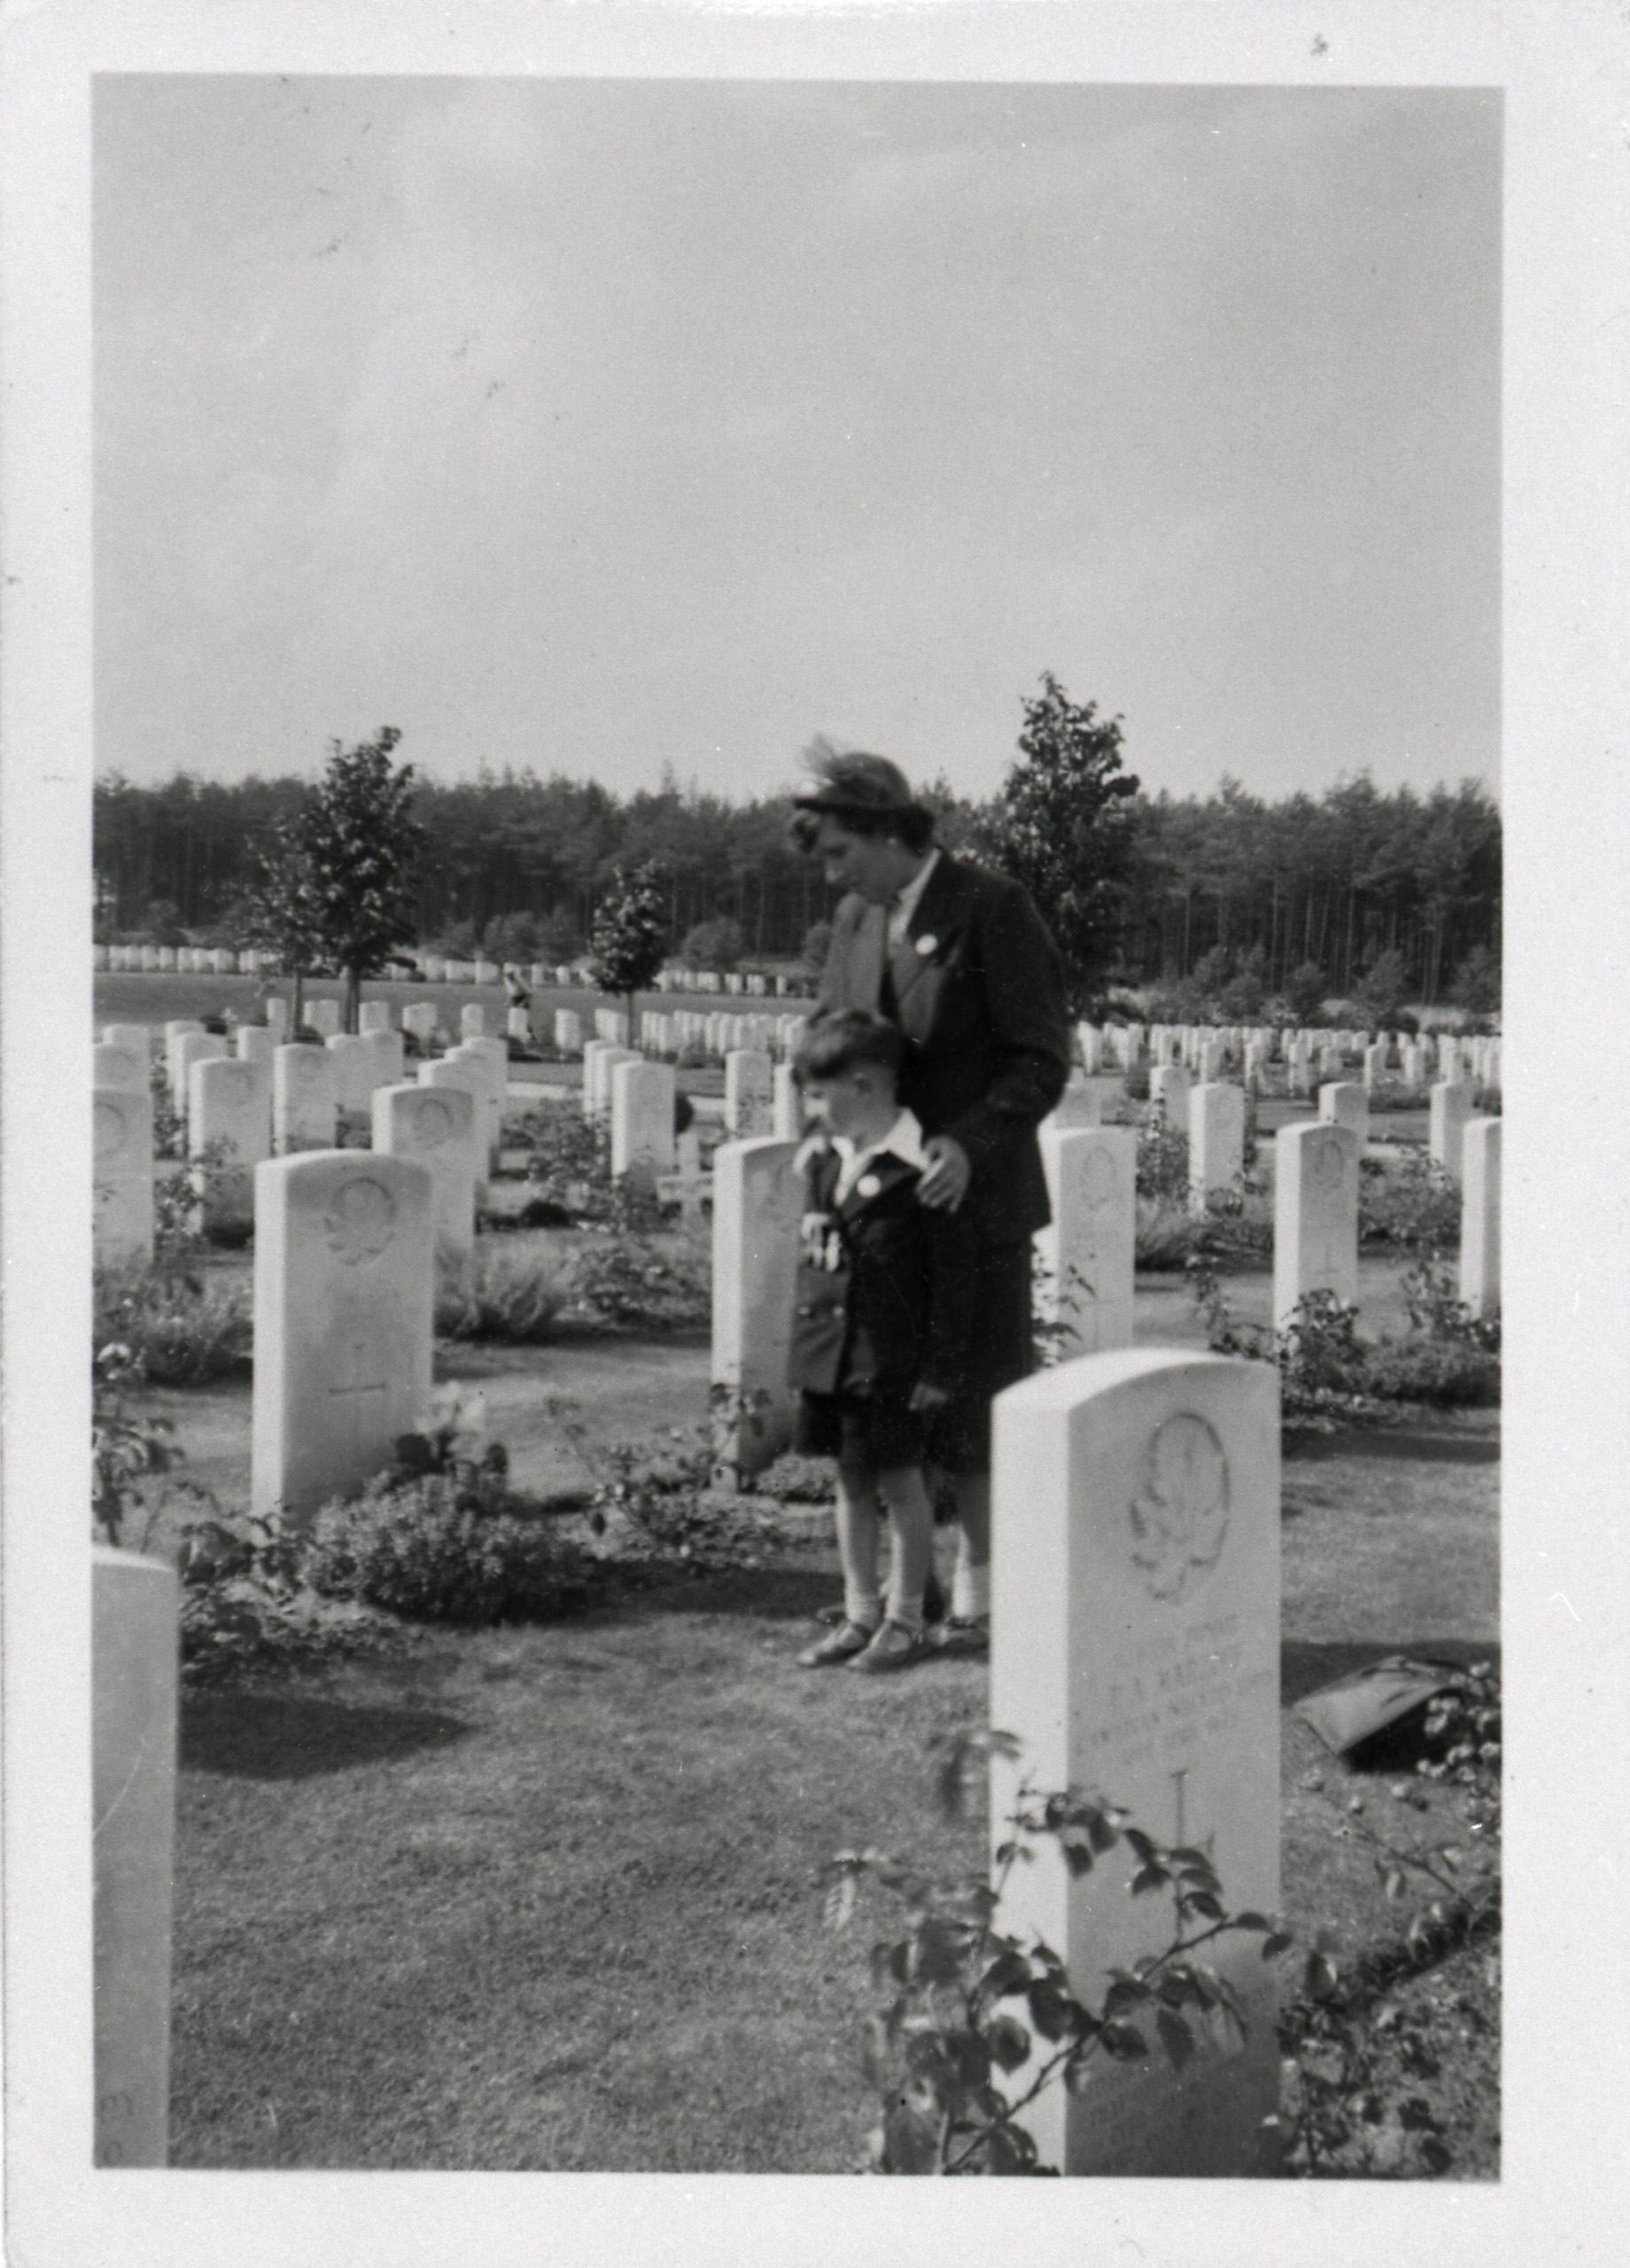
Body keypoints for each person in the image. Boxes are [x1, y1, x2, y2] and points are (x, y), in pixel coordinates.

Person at [790, 746, 1072, 1657]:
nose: (832, 874)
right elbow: (832, 1046)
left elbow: (1038, 1056)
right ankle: (880, 1602)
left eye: (839, 852)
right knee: (877, 1404)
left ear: (884, 832)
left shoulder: (991, 908)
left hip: (968, 1199)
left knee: (973, 1406)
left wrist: (967, 1141)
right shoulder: (852, 919)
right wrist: (820, 1155)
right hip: (872, 1214)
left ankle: (983, 1593)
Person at [788, 1011, 980, 1673]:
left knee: (902, 1485)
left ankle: (906, 1620)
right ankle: (859, 1611)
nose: (809, 1110)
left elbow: (953, 1284)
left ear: (865, 1085)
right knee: (848, 1482)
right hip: (832, 1356)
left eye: (818, 1094)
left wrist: (940, 1367)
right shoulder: (824, 1161)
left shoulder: (921, 1171)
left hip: (893, 1362)